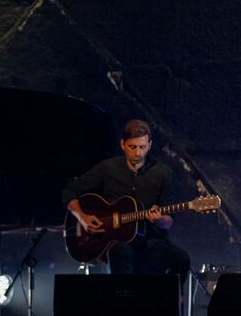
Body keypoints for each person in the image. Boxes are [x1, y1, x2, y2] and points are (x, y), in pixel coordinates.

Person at [62, 119, 190, 280]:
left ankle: (171, 303)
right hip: (115, 241)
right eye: (132, 147)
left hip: (151, 240)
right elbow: (70, 191)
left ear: (149, 145)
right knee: (119, 251)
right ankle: (123, 301)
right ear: (123, 144)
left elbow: (169, 222)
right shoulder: (107, 168)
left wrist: (160, 220)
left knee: (181, 260)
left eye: (142, 147)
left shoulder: (163, 173)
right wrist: (83, 217)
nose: (137, 153)